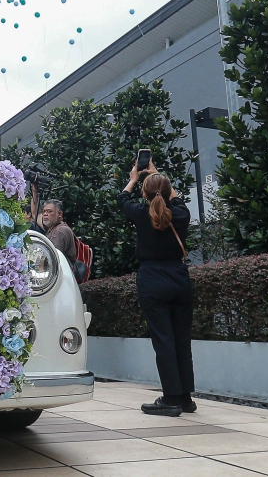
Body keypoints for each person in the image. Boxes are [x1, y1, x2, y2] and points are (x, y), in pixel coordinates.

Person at [118, 161, 195, 417]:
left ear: (145, 193)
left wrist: (134, 177)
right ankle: (185, 398)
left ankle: (170, 399)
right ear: (168, 189)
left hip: (152, 279)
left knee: (163, 339)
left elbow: (122, 199)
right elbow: (176, 198)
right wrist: (158, 177)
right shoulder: (181, 214)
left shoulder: (140, 213)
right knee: (181, 339)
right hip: (179, 278)